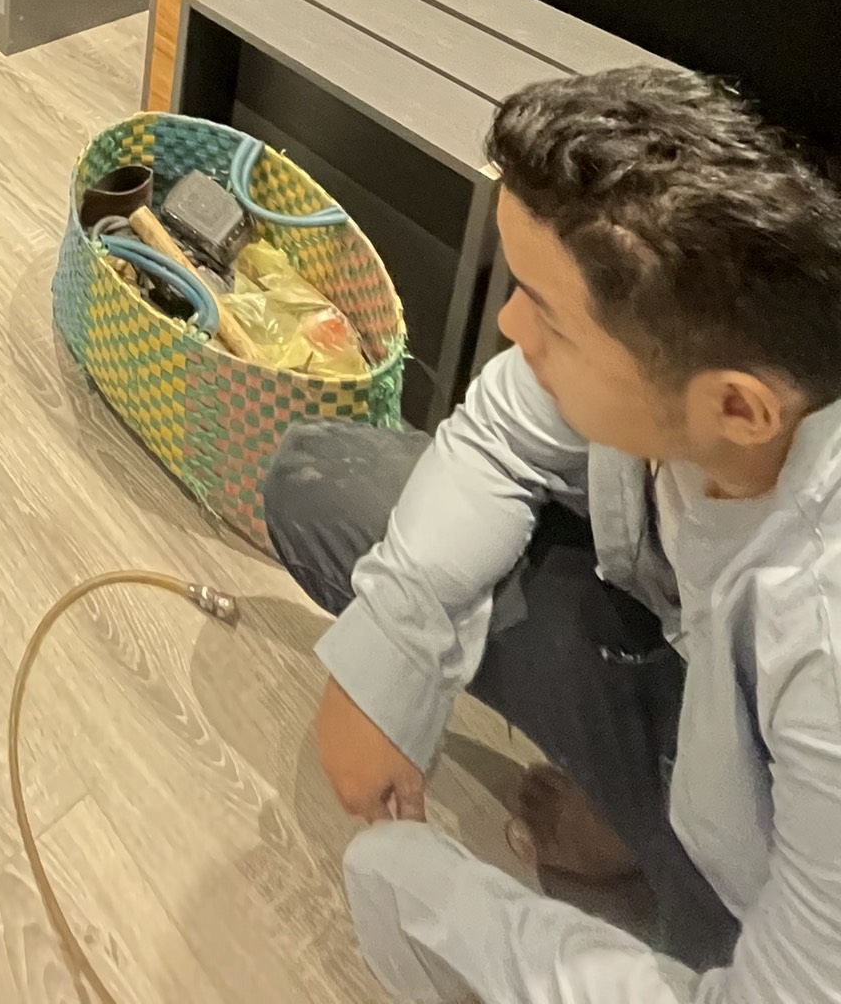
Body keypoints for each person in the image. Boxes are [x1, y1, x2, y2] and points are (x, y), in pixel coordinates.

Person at [263, 65, 841, 1002]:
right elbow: (501, 429)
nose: (507, 323)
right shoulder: (717, 353)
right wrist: (386, 658)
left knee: (703, 942)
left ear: (738, 408)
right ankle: (649, 811)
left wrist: (449, 909)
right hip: (695, 679)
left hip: (778, 850)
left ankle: (665, 852)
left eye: (550, 318)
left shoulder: (823, 649)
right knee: (322, 485)